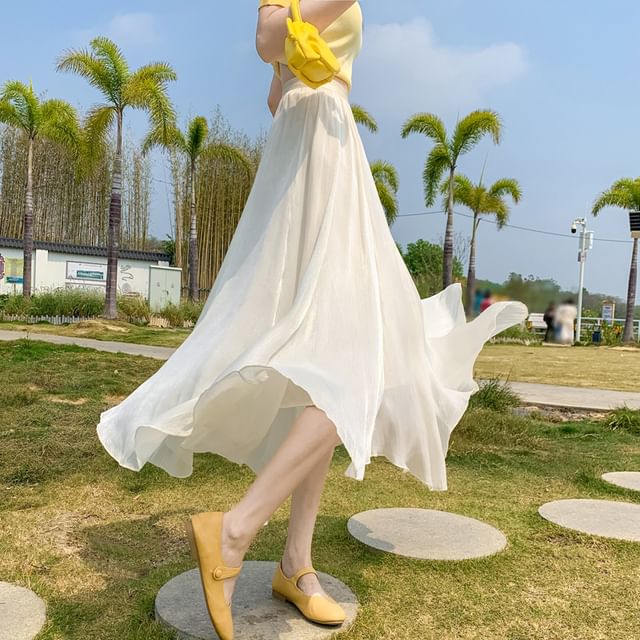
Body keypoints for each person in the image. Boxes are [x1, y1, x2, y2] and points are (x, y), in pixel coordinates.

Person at [96, 2, 528, 638]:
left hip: (323, 142)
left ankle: (295, 562)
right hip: (317, 148)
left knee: (334, 363)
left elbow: (277, 92)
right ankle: (235, 532)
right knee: (354, 363)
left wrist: (305, 71)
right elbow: (268, 39)